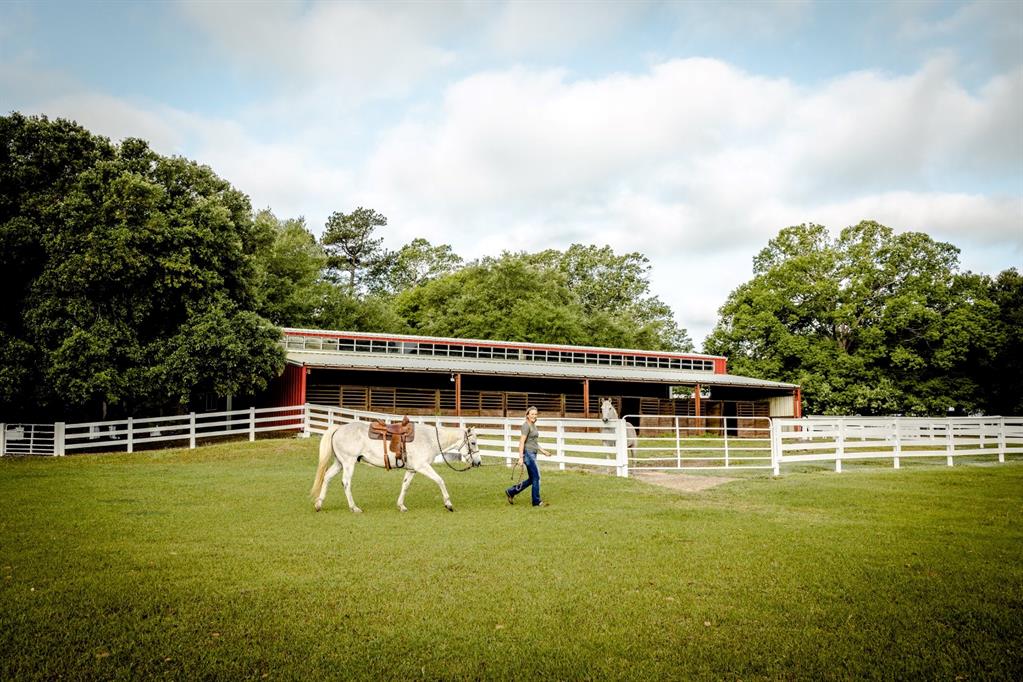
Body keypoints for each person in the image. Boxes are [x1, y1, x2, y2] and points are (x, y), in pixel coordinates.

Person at [505, 406, 550, 507]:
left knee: (532, 479)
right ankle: (536, 501)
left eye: (535, 414)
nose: (534, 416)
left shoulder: (533, 425)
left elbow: (533, 442)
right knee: (537, 478)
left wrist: (543, 451)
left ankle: (511, 492)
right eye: (532, 414)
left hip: (533, 453)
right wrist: (521, 457)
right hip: (528, 454)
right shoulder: (526, 426)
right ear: (527, 415)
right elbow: (521, 442)